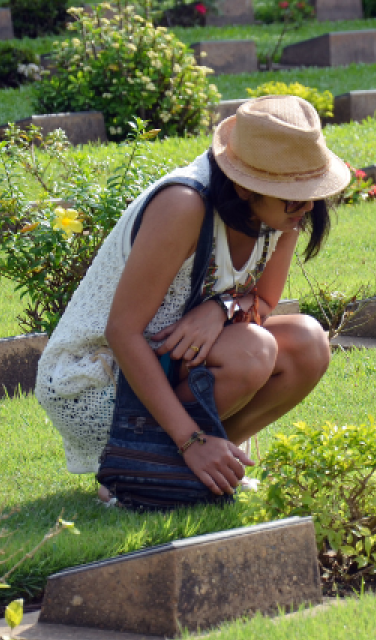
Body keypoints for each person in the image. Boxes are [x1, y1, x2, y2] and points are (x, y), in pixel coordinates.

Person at [35, 95, 349, 504]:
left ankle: (200, 467)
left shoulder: (281, 216)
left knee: (308, 343)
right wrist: (190, 438)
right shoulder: (184, 204)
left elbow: (264, 302)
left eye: (311, 190)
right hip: (100, 377)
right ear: (244, 185)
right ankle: (142, 465)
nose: (307, 205)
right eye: (292, 194)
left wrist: (220, 309)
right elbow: (122, 332)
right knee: (252, 350)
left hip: (176, 364)